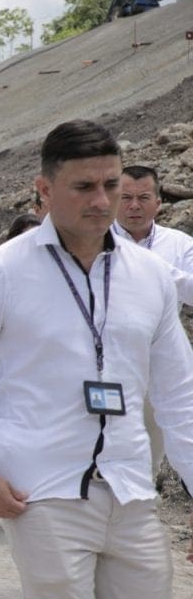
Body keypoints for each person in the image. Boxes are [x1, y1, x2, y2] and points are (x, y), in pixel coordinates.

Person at [0, 119, 193, 599]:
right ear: (44, 190)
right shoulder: (1, 271)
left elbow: (180, 397)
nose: (102, 200)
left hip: (130, 490)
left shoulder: (151, 277)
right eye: (84, 187)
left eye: (112, 185)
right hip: (40, 493)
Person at [112, 164, 193, 478]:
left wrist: (157, 270)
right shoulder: (96, 242)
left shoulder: (177, 244)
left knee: (163, 437)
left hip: (162, 354)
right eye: (126, 197)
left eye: (143, 197)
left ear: (158, 203)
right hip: (110, 356)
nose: (134, 205)